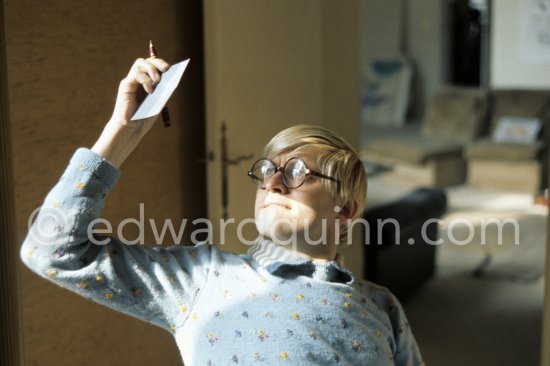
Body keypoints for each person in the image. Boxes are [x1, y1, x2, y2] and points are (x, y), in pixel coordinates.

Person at [21, 58, 423, 365]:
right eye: (267, 171)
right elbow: (50, 250)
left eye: (298, 172)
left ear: (346, 209)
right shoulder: (204, 277)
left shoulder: (381, 306)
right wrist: (121, 132)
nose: (273, 183)